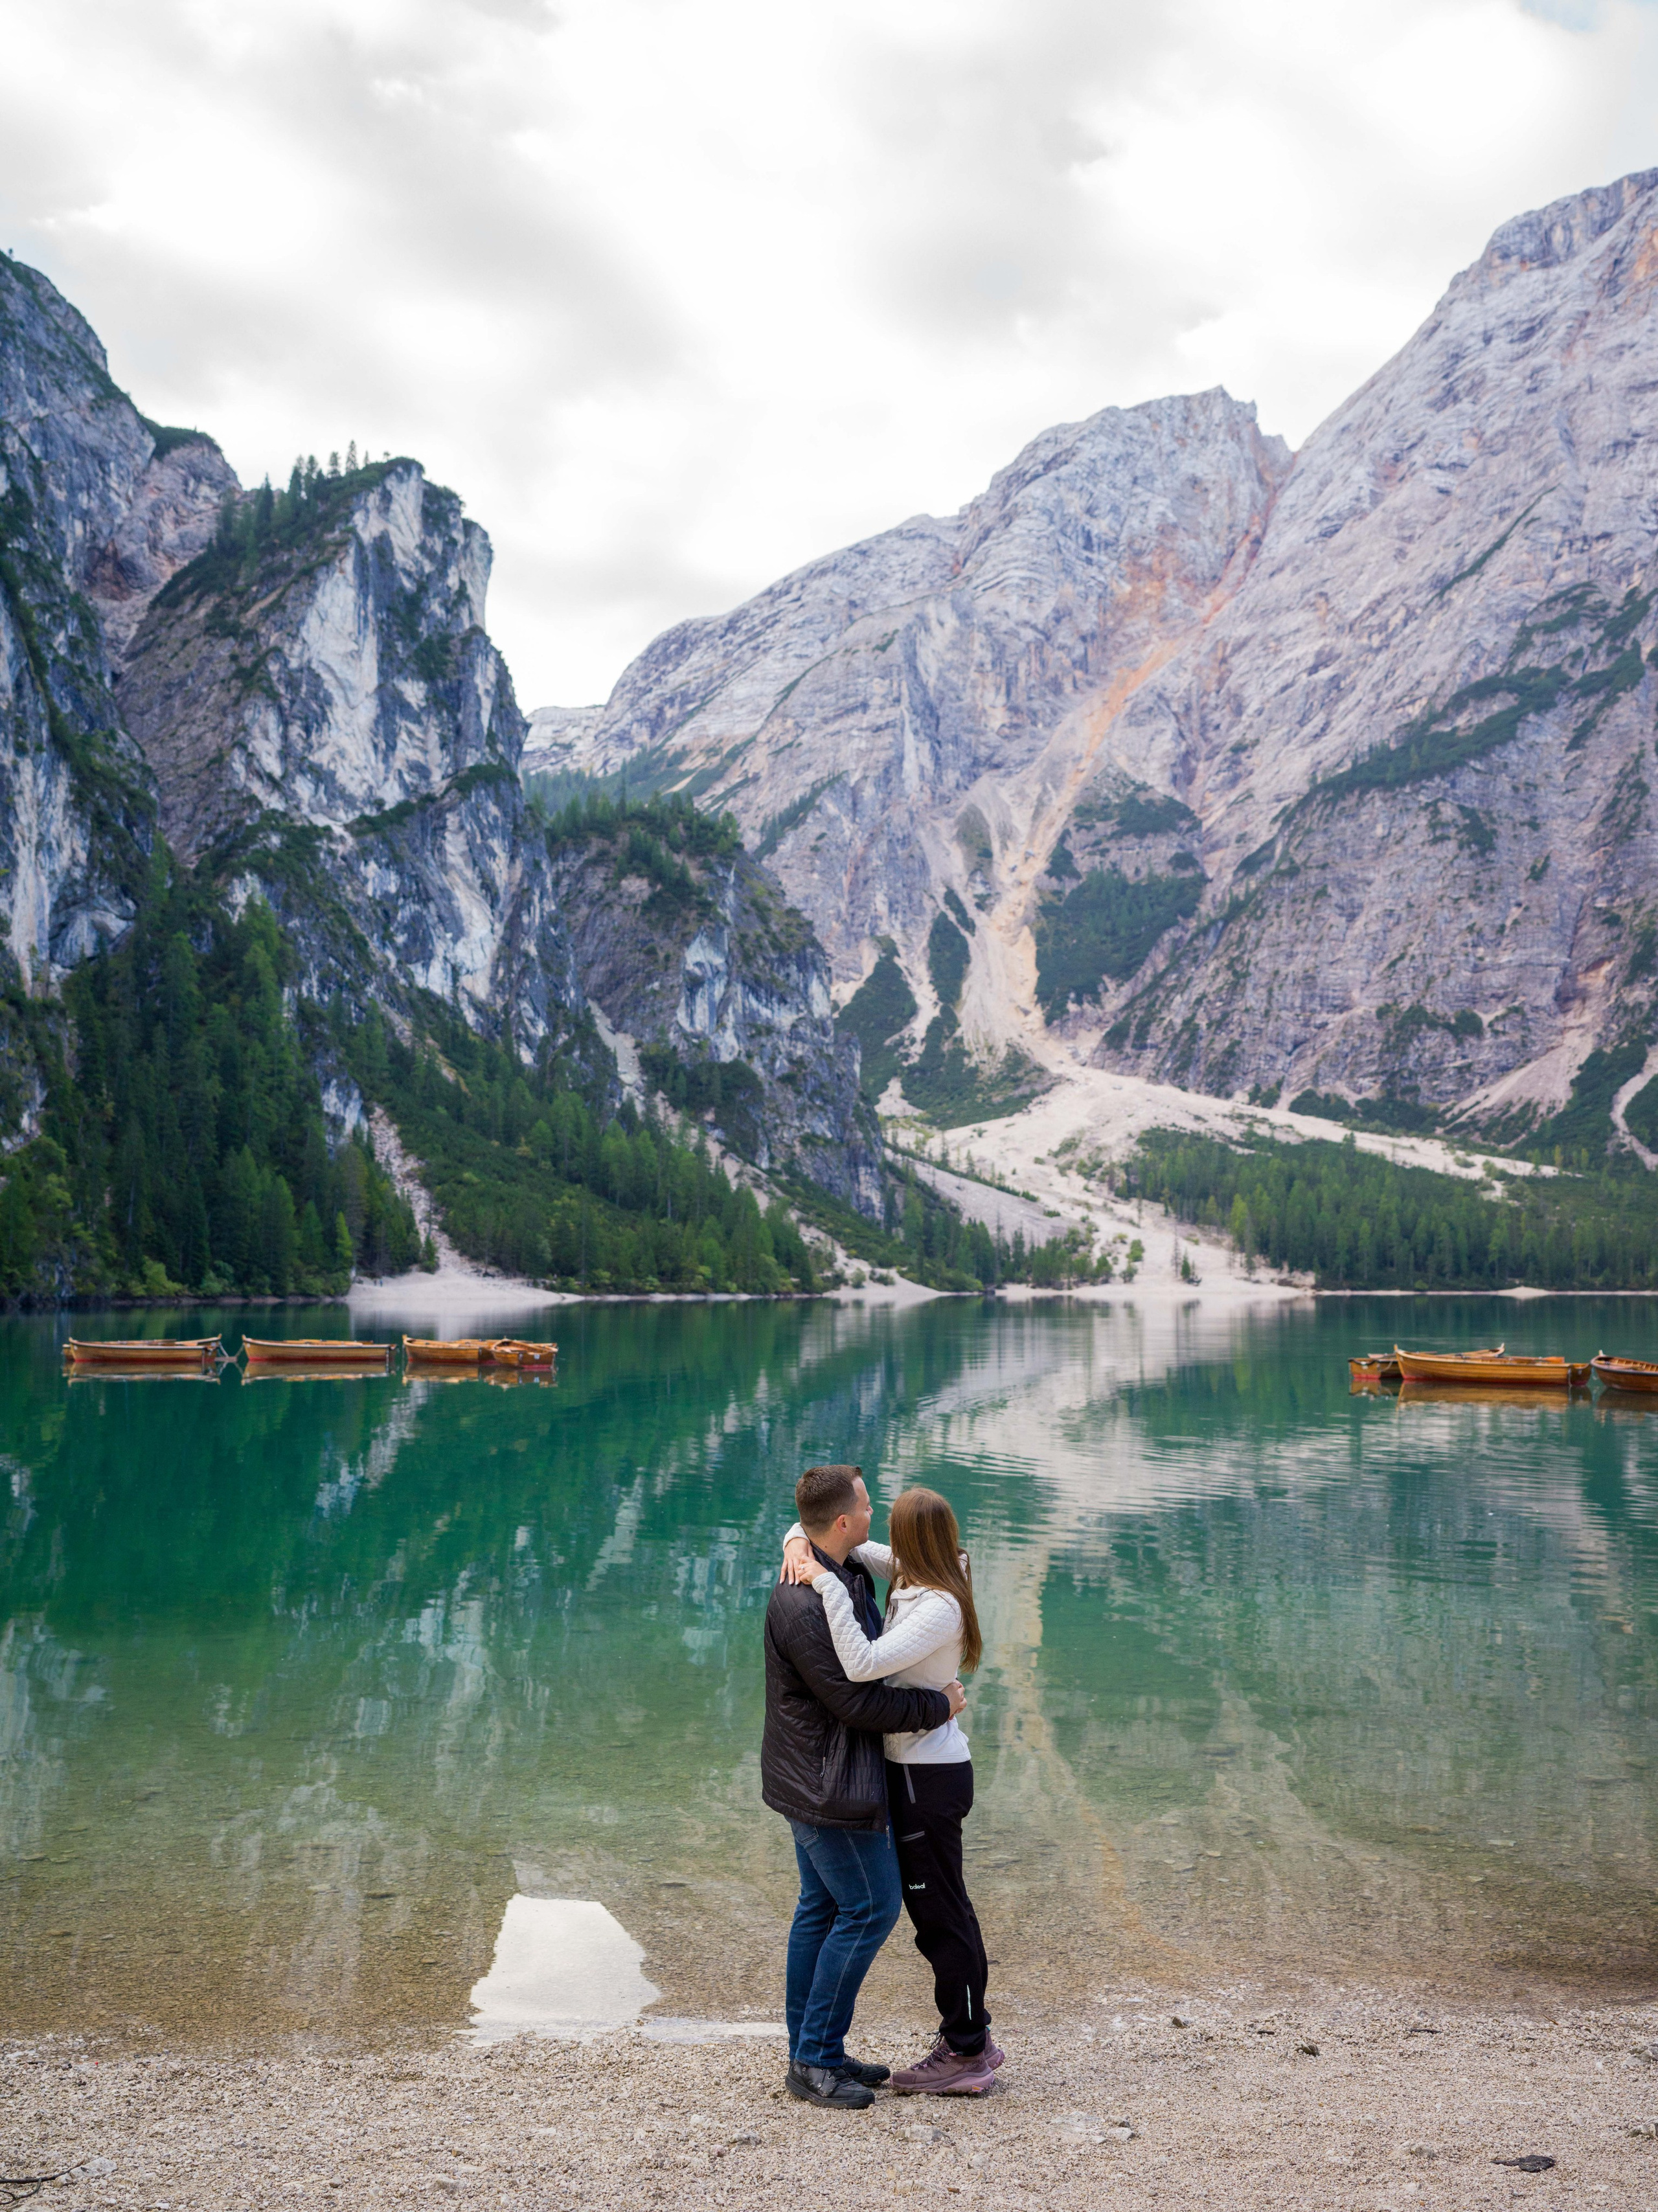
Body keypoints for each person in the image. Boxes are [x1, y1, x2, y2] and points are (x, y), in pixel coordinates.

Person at [780, 1483, 1000, 2096]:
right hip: (917, 1770)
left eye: (891, 1525)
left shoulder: (938, 1603)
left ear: (912, 1538)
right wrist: (797, 1541)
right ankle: (968, 2039)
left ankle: (967, 2048)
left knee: (940, 1916)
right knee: (941, 1910)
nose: (880, 1532)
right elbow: (838, 1536)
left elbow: (861, 1664)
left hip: (925, 1776)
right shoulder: (920, 1567)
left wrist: (823, 1586)